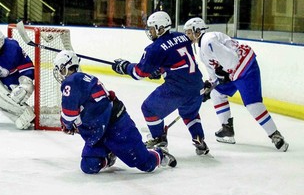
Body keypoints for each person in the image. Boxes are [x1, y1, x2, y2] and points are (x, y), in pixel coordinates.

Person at [54, 50, 176, 173]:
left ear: (65, 67)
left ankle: (159, 154)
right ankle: (109, 155)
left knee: (146, 164)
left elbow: (69, 116)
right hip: (100, 130)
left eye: (60, 69)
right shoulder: (80, 79)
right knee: (89, 165)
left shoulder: (71, 82)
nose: (59, 73)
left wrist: (68, 125)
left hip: (116, 125)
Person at [112, 10, 210, 156]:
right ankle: (199, 140)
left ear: (160, 28)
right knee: (190, 113)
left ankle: (158, 140)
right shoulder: (182, 37)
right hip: (196, 85)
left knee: (149, 109)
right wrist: (160, 70)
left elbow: (139, 73)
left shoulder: (155, 48)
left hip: (177, 88)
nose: (150, 32)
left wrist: (124, 66)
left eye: (152, 29)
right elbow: (176, 58)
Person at [183, 17, 288, 151]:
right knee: (217, 92)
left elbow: (231, 60)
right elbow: (215, 74)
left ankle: (275, 135)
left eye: (189, 32)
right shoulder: (201, 48)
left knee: (252, 104)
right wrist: (209, 86)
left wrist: (223, 73)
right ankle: (227, 129)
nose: (187, 36)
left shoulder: (208, 40)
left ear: (197, 31)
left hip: (245, 68)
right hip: (233, 73)